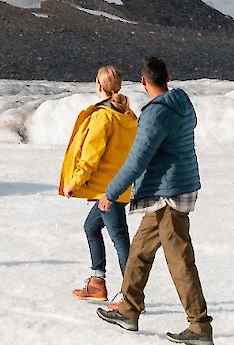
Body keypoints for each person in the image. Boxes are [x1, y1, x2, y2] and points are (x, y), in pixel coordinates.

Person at [95, 57, 212, 343]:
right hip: (174, 189)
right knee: (140, 251)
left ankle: (199, 326)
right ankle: (129, 309)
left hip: (168, 194)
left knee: (180, 261)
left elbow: (137, 160)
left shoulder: (156, 114)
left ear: (144, 82)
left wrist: (110, 193)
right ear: (168, 77)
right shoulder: (181, 104)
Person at [60, 65, 138, 303]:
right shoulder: (128, 116)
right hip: (120, 186)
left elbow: (90, 155)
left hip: (107, 190)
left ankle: (132, 296)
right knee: (92, 228)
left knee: (120, 238)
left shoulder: (103, 117)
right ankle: (97, 282)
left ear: (100, 86)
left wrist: (75, 182)